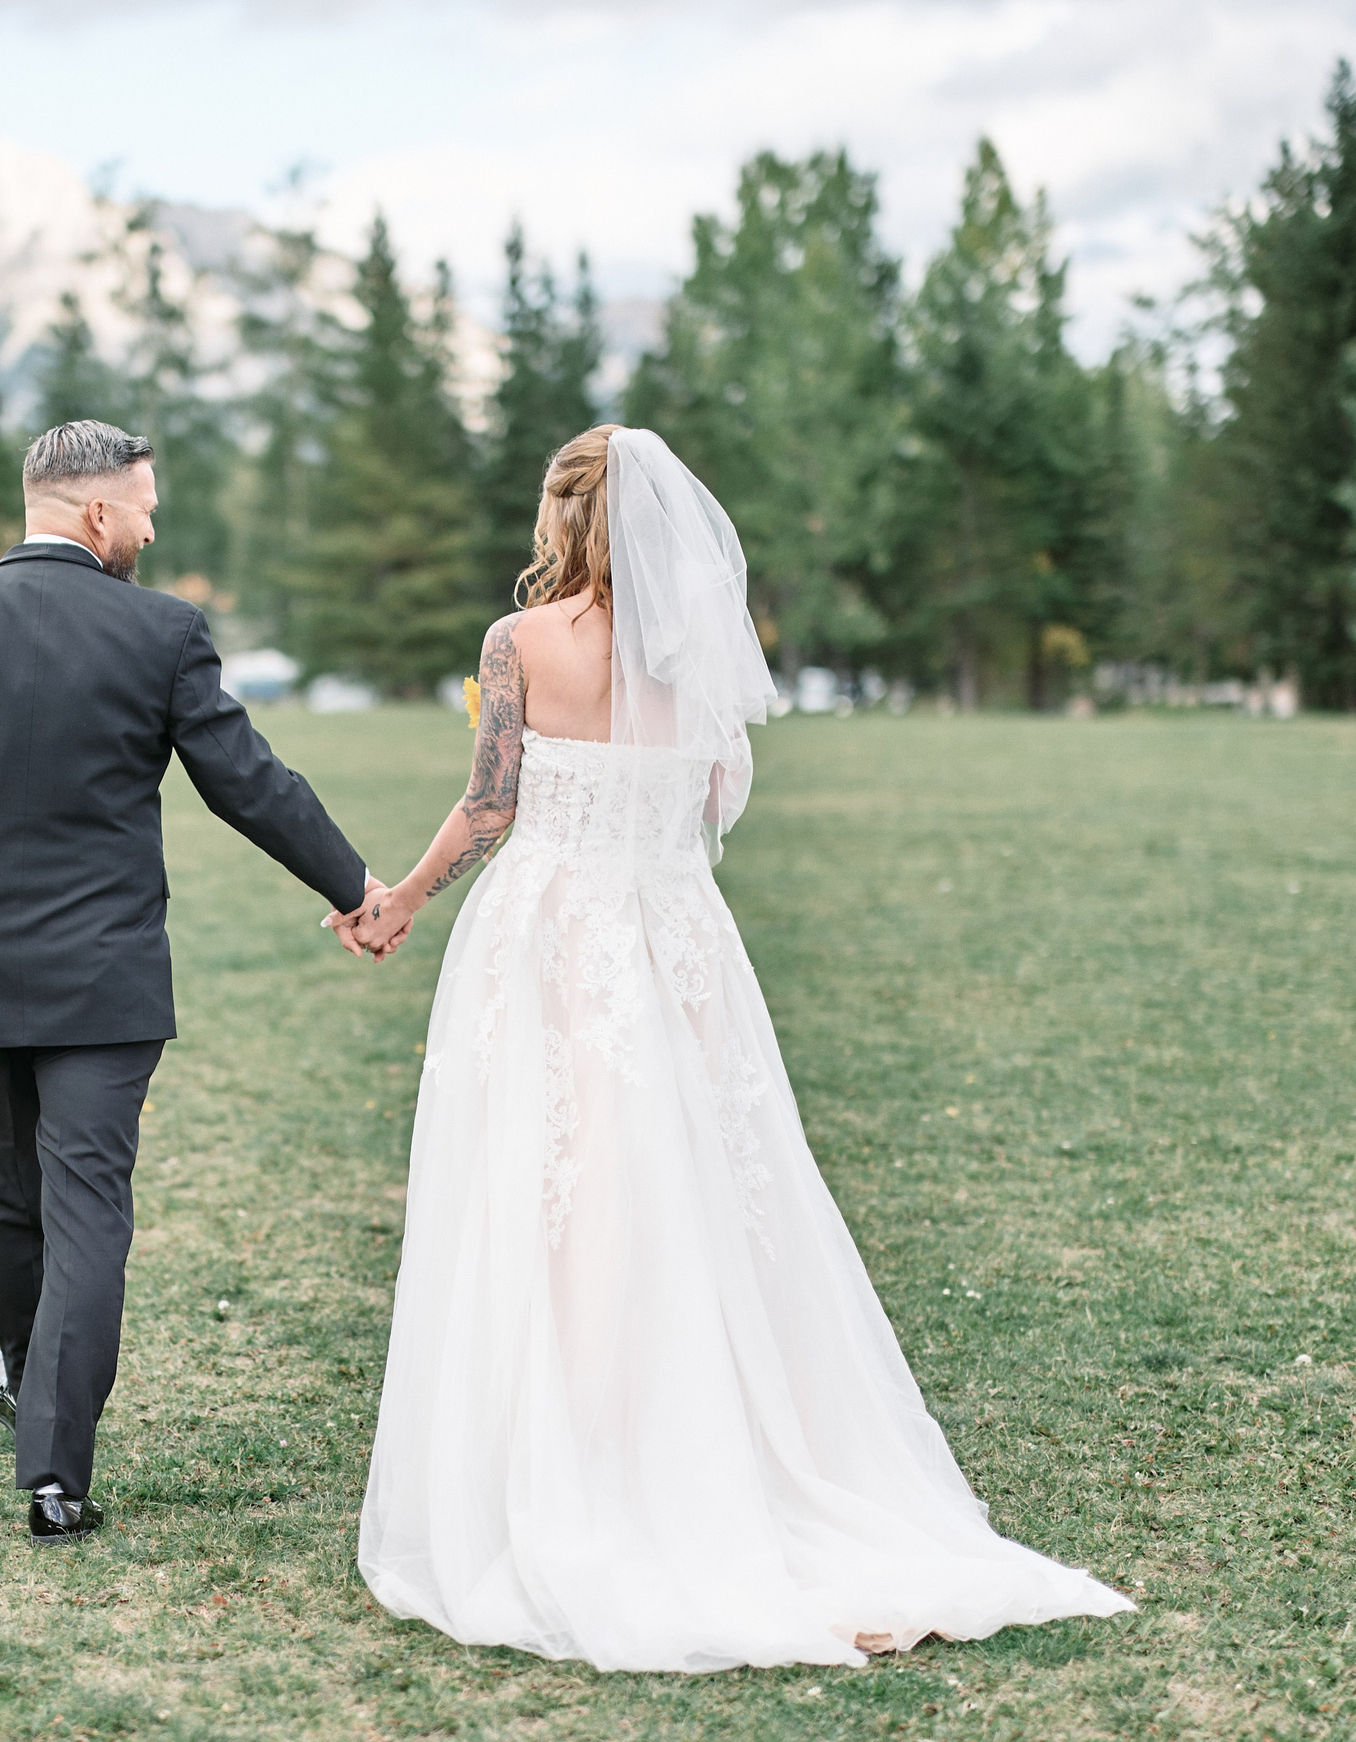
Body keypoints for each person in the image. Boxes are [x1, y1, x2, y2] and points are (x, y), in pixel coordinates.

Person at [337, 424, 1134, 1669]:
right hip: (674, 945)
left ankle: (581, 1460)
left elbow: (492, 804)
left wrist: (396, 900)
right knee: (691, 1191)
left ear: (563, 519)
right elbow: (714, 800)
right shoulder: (693, 653)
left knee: (557, 1199)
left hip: (552, 941)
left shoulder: (517, 645)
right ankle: (717, 1447)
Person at [0, 420, 391, 1545]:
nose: (151, 528)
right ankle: (55, 1476)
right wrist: (351, 885)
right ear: (97, 513)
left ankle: (20, 1367)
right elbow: (245, 780)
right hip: (104, 978)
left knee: (6, 1198)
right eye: (145, 507)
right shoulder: (161, 630)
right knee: (86, 1210)